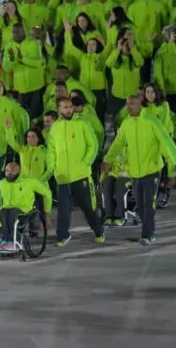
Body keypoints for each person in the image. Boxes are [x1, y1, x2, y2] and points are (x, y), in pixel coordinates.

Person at [102, 95, 176, 246]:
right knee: (141, 208)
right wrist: (108, 160)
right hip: (134, 173)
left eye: (132, 104)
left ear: (140, 105)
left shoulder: (151, 121)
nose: (129, 107)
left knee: (149, 205)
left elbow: (166, 143)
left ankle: (147, 235)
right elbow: (117, 144)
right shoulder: (126, 123)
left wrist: (172, 171)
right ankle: (150, 230)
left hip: (152, 171)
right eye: (127, 104)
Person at [46, 97, 105, 246]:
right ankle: (63, 235)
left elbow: (93, 145)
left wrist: (86, 163)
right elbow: (51, 150)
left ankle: (98, 230)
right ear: (59, 109)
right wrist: (52, 168)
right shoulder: (55, 128)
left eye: (70, 107)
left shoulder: (82, 123)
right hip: (62, 176)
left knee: (87, 207)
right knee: (63, 209)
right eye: (65, 107)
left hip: (81, 174)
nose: (68, 110)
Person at [0, 162, 52, 250]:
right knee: (2, 212)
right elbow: (1, 200)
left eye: (13, 170)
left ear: (19, 171)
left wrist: (47, 212)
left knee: (13, 213)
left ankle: (13, 240)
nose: (9, 173)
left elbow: (47, 193)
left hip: (25, 210)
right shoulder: (2, 183)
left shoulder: (29, 181)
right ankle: (5, 240)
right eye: (7, 170)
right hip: (7, 209)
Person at [3, 23, 45, 120]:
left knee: (35, 115)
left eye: (17, 31)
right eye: (13, 32)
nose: (15, 34)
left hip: (36, 86)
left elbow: (38, 63)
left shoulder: (34, 43)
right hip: (21, 88)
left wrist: (22, 59)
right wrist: (12, 60)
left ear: (23, 32)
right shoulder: (9, 46)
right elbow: (6, 67)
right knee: (24, 116)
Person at [105, 29, 144, 118]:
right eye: (125, 45)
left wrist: (133, 48)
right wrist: (117, 49)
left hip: (133, 96)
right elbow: (108, 63)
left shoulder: (135, 56)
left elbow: (140, 62)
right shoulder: (115, 58)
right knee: (117, 120)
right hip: (117, 96)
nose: (127, 47)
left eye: (128, 45)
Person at [101, 151, 130, 227]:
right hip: (115, 174)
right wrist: (102, 179)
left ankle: (119, 216)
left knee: (119, 184)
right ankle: (109, 216)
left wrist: (124, 171)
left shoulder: (132, 147)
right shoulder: (114, 150)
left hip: (128, 175)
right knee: (107, 184)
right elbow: (106, 163)